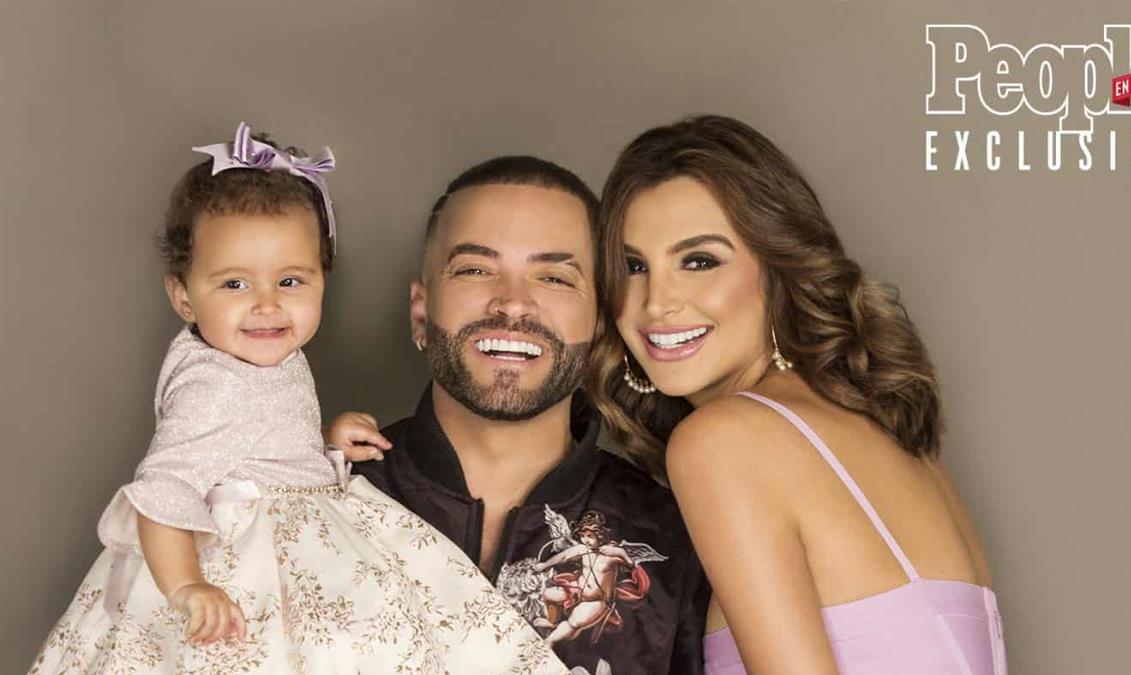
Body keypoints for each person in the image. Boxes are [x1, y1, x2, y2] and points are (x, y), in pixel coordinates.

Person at [30, 123, 564, 674]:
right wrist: (188, 586)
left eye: (290, 282)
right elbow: (163, 490)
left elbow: (253, 444)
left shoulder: (255, 355)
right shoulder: (212, 385)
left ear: (322, 282)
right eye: (234, 284)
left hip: (298, 526)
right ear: (183, 296)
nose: (267, 305)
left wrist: (323, 443)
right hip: (247, 560)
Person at [588, 115, 1008, 674]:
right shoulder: (888, 436)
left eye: (699, 261)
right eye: (632, 266)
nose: (656, 301)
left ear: (778, 267)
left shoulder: (723, 442)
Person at [325, 156, 710, 675]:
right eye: (475, 270)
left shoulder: (677, 540)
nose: (512, 304)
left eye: (554, 277)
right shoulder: (315, 493)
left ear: (599, 321)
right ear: (420, 311)